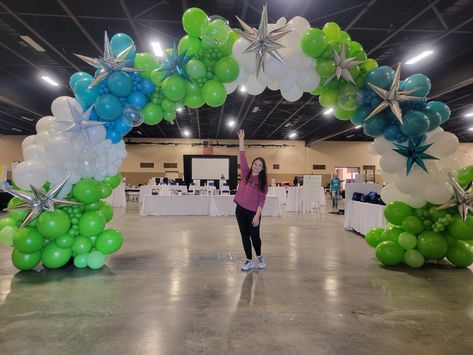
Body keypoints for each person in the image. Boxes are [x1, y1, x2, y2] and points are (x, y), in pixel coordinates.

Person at [234, 129, 268, 271]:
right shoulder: (246, 173)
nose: (257, 166)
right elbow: (242, 155)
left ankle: (259, 256)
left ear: (262, 169)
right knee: (244, 236)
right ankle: (249, 260)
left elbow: (261, 200)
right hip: (240, 210)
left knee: (255, 237)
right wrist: (241, 139)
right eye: (255, 164)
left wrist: (257, 215)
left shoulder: (262, 182)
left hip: (253, 213)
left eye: (260, 165)